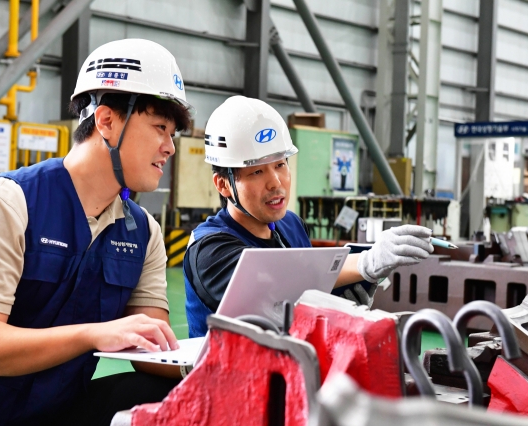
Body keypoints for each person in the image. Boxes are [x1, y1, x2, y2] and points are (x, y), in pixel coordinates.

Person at [0, 39, 193, 426]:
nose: (169, 147)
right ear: (106, 121)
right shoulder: (5, 203)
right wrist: (94, 334)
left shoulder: (144, 233)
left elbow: (153, 348)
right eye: (160, 128)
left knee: (156, 392)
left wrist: (230, 354)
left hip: (56, 409)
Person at [184, 96, 434, 338]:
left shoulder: (291, 225)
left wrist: (336, 301)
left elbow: (304, 295)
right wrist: (365, 262)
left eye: (280, 164)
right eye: (257, 171)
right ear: (223, 184)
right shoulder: (209, 249)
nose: (276, 182)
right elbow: (272, 287)